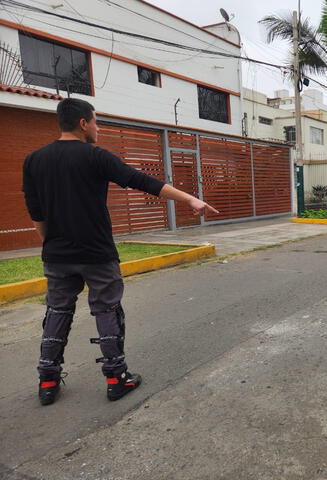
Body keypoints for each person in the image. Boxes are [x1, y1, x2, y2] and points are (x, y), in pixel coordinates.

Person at [23, 98, 218, 405]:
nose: (98, 128)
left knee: (57, 312)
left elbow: (36, 213)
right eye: (96, 122)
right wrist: (190, 199)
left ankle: (47, 381)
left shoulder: (34, 160)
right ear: (83, 123)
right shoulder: (94, 156)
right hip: (97, 252)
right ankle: (116, 378)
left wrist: (51, 242)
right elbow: (141, 180)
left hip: (57, 255)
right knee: (107, 310)